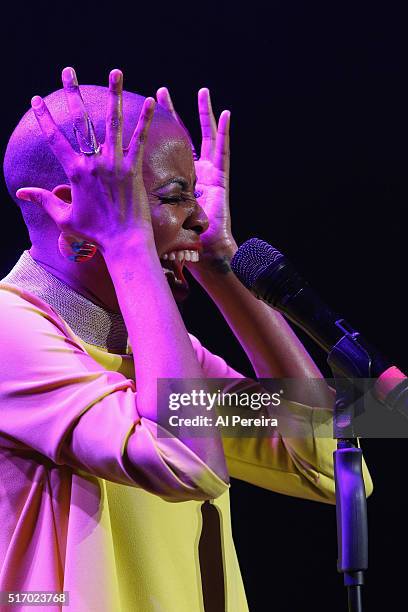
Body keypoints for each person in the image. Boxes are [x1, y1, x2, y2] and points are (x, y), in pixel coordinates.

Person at [0, 67, 373, 612]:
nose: (200, 217)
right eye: (176, 196)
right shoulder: (12, 332)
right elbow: (185, 463)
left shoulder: (154, 352)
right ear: (74, 208)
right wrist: (126, 243)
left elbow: (328, 464)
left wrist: (222, 265)